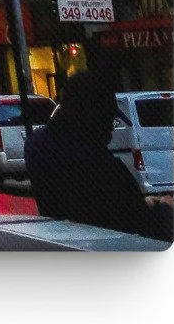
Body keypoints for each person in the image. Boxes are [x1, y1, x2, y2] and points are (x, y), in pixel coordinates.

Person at [25, 69, 154, 236]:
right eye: (108, 118)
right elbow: (140, 219)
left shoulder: (36, 145)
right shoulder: (100, 166)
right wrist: (160, 207)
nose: (111, 128)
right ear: (93, 116)